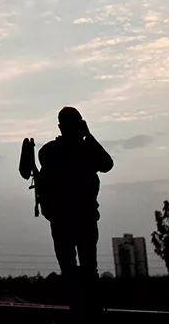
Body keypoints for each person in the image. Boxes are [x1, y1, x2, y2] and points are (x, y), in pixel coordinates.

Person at [37, 106, 113, 320]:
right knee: (87, 269)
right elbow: (106, 163)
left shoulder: (49, 151)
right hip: (80, 218)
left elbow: (106, 164)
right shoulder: (84, 149)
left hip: (64, 219)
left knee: (72, 270)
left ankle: (80, 311)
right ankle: (88, 312)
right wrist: (88, 135)